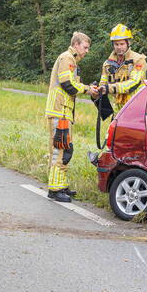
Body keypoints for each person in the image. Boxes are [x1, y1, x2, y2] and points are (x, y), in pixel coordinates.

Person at [45, 32, 98, 202]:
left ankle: (60, 185)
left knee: (66, 149)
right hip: (58, 111)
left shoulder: (72, 61)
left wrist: (88, 89)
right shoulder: (67, 58)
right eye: (85, 47)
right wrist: (87, 88)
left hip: (64, 112)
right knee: (59, 150)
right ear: (76, 44)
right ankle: (54, 189)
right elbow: (68, 84)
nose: (87, 51)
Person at [98, 23, 147, 111]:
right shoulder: (107, 64)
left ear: (128, 43)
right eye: (116, 44)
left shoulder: (138, 60)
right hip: (117, 110)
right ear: (112, 45)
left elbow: (133, 83)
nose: (119, 47)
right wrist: (97, 90)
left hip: (135, 107)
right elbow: (103, 84)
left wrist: (109, 88)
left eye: (122, 44)